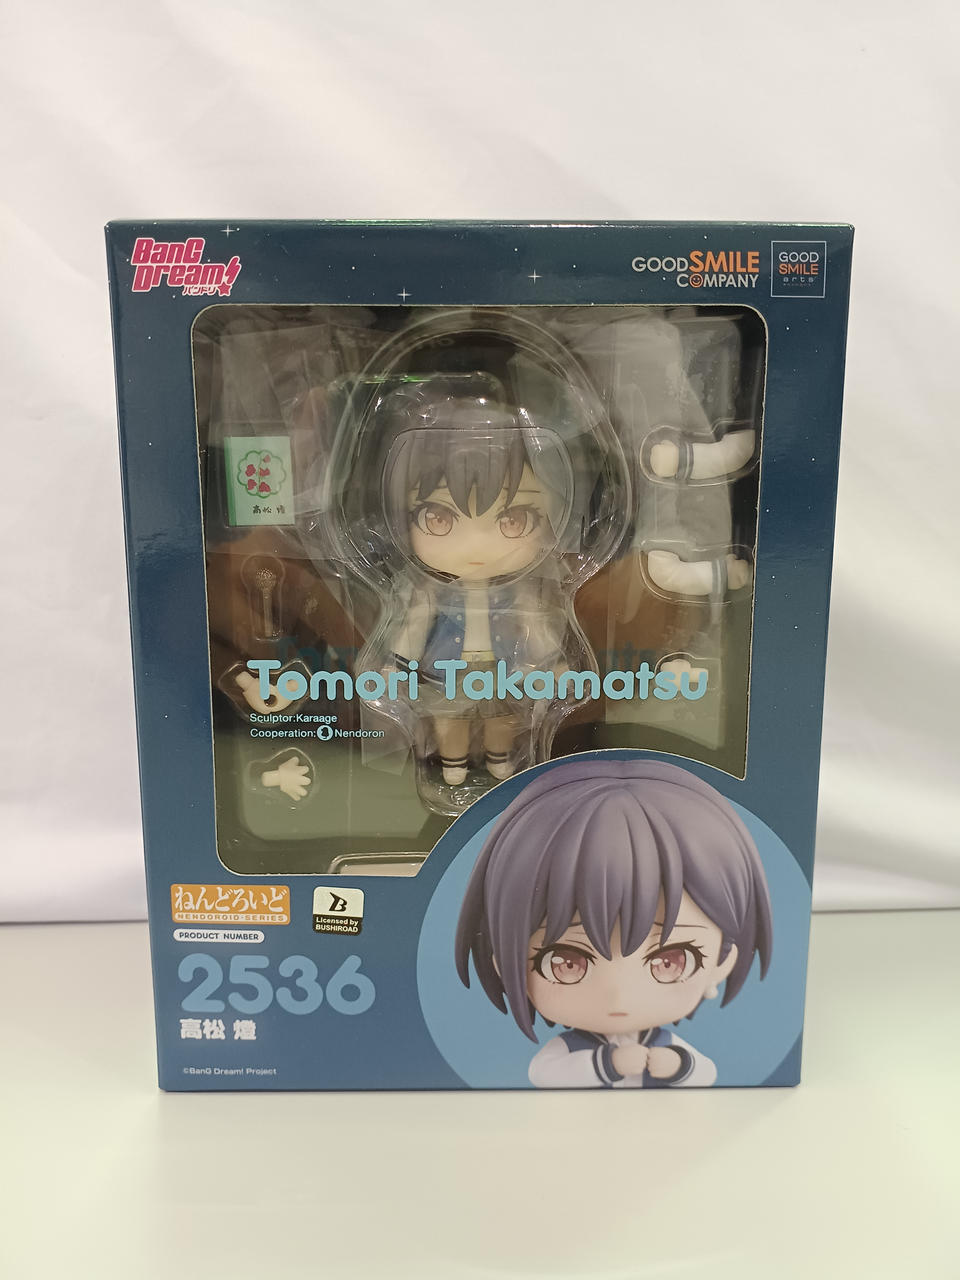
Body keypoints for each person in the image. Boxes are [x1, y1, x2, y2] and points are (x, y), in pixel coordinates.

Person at [454, 757, 773, 1087]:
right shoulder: (569, 1049)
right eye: (566, 963)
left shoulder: (666, 1044)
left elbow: (707, 1074)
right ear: (505, 965)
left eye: (670, 961)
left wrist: (680, 1066)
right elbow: (544, 1074)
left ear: (722, 963)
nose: (618, 994)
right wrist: (606, 1064)